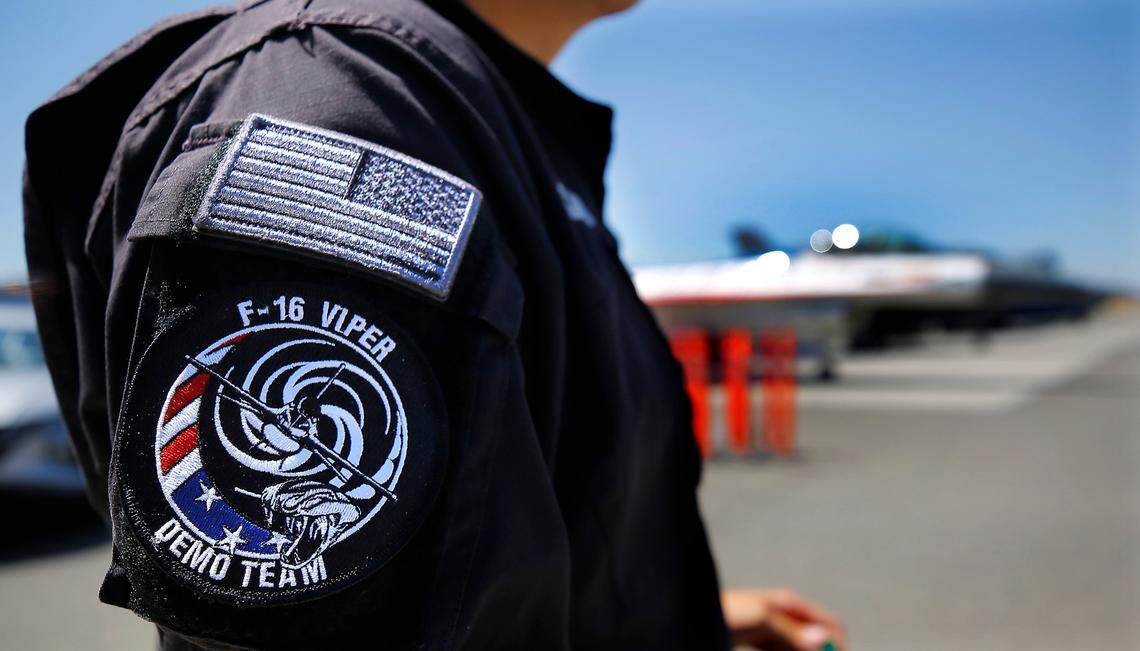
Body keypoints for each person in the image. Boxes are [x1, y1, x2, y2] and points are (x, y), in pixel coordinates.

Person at [23, 0, 847, 648]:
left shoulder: (465, 106)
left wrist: (667, 619)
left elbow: (502, 519)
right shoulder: (348, 99)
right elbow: (340, 613)